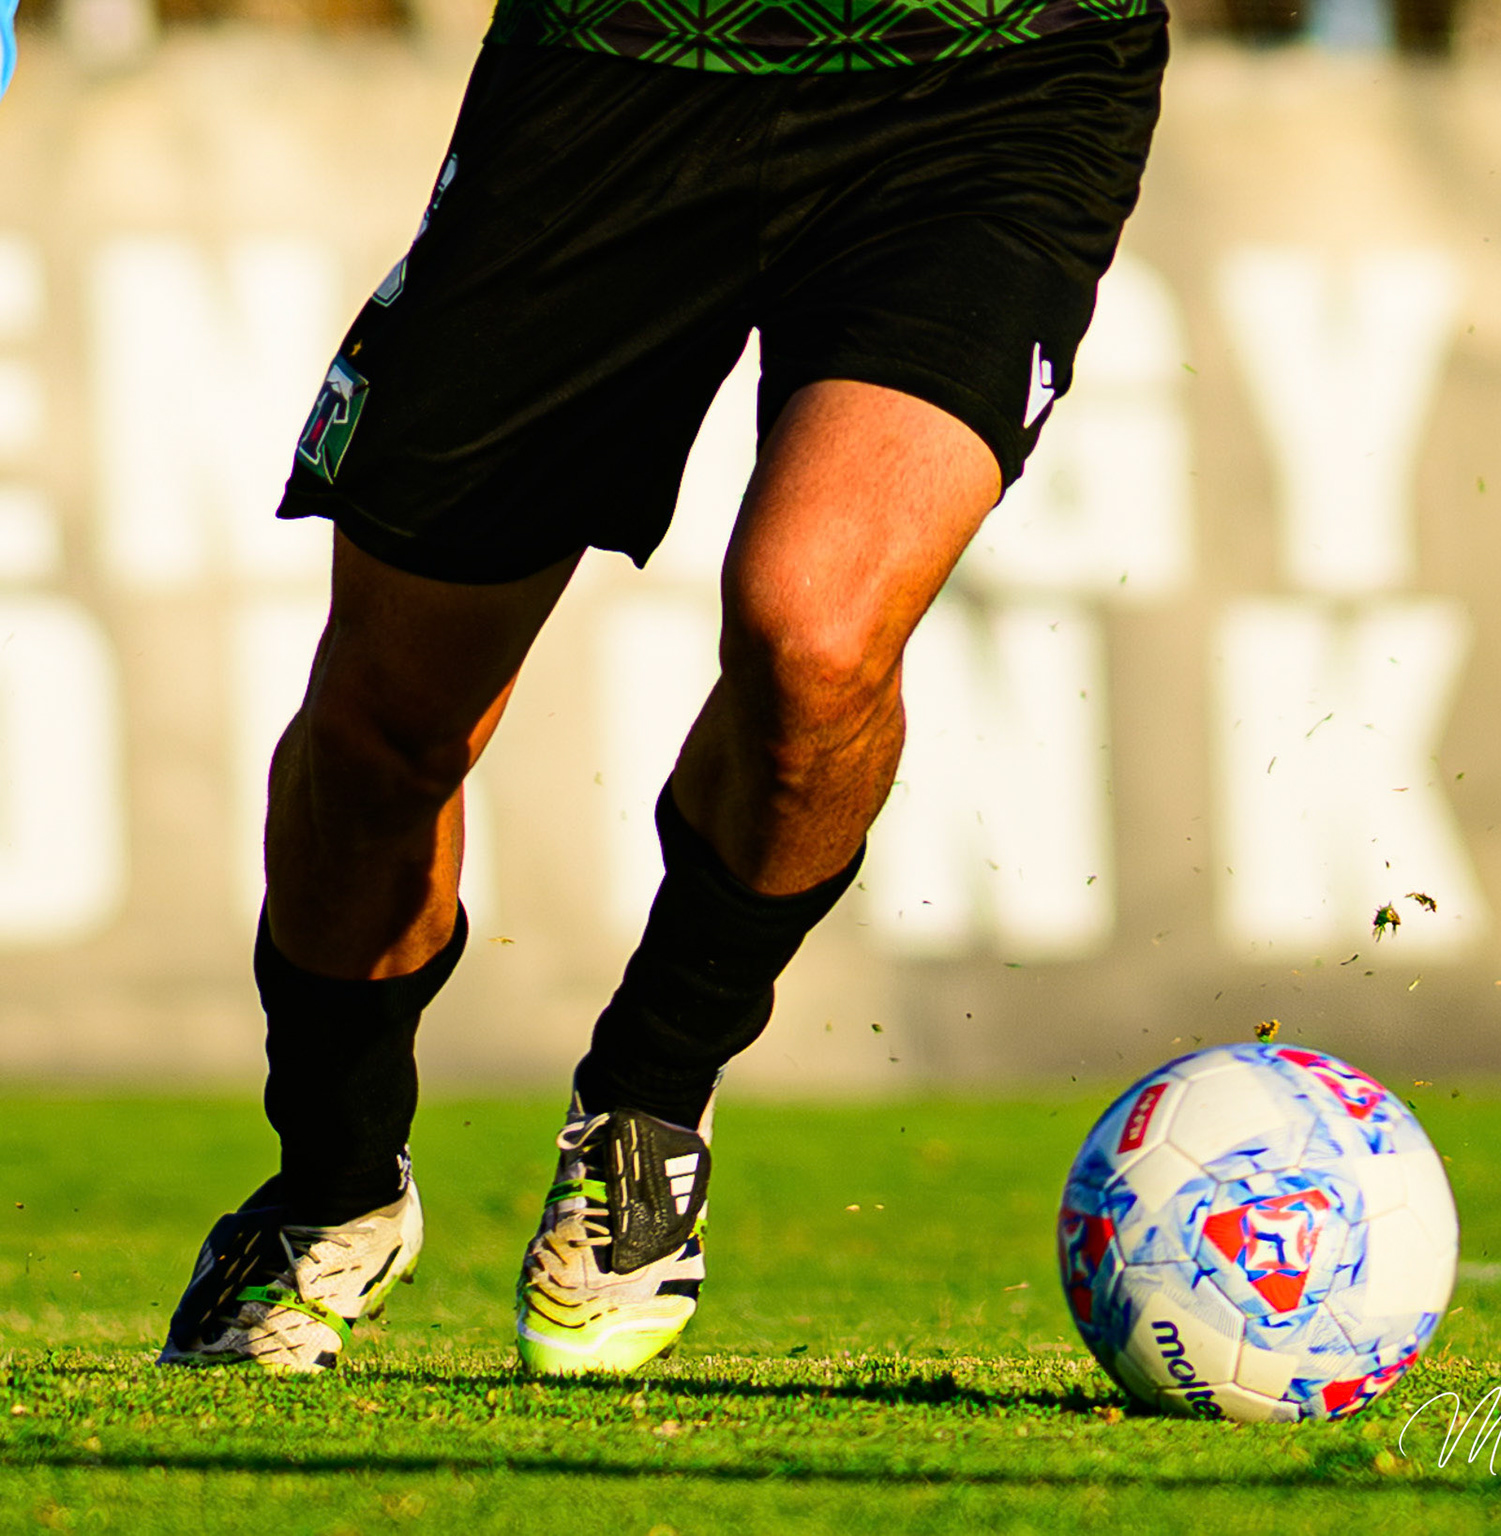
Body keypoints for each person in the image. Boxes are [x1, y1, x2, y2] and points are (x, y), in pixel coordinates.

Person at [158, 0, 1168, 1374]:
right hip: (617, 62)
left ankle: (646, 1111)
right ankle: (330, 1192)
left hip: (997, 73)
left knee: (814, 640)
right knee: (386, 733)